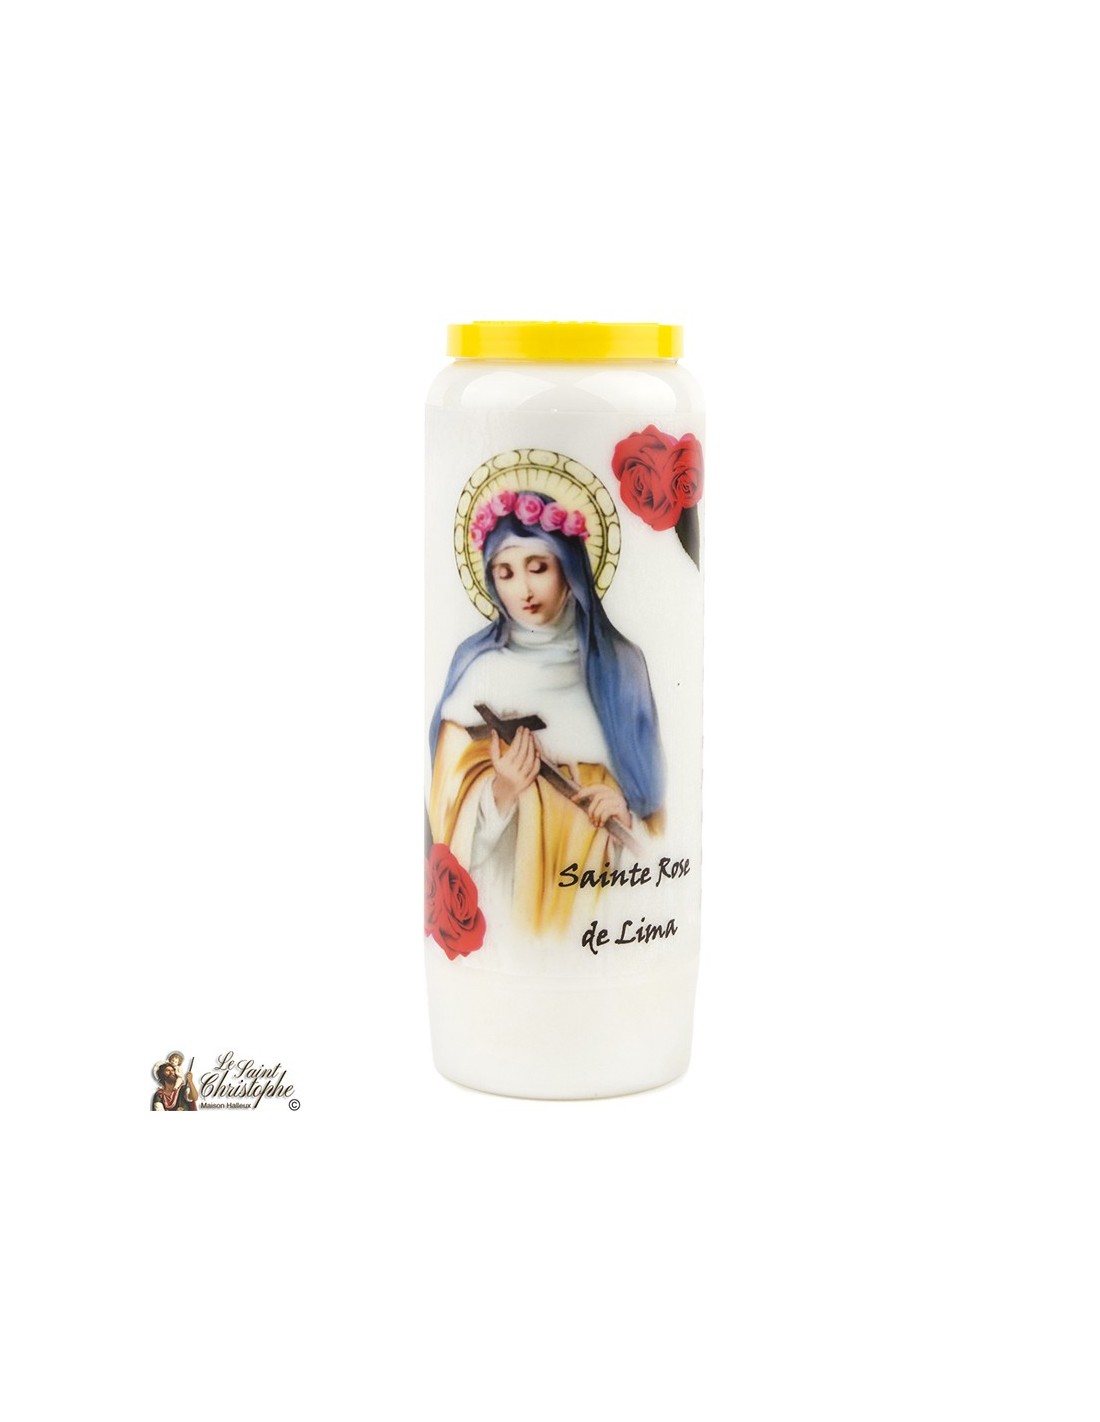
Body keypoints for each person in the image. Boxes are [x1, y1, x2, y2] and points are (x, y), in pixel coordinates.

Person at [429, 488, 664, 938]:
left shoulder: (621, 669)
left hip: (604, 906)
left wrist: (625, 810)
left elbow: (661, 809)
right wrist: (500, 791)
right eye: (505, 573)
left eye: (538, 567)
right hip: (511, 902)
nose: (524, 590)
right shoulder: (476, 673)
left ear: (568, 566)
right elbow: (445, 818)